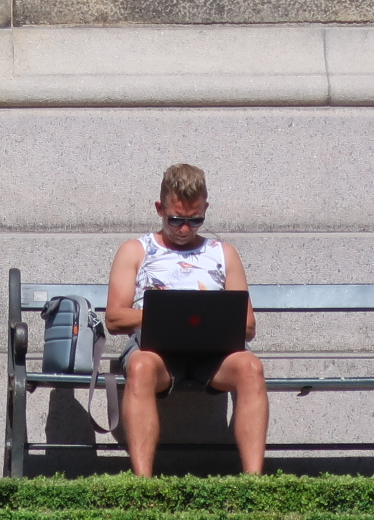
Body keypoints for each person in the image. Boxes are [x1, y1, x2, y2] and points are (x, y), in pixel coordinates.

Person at [105, 162, 267, 476]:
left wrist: (211, 319)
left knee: (250, 368)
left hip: (214, 353)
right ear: (159, 209)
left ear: (206, 209)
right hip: (154, 351)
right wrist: (164, 317)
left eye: (195, 220)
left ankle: (254, 483)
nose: (184, 229)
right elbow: (114, 318)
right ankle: (143, 483)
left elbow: (248, 326)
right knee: (140, 367)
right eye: (175, 219)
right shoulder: (136, 250)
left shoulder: (223, 253)